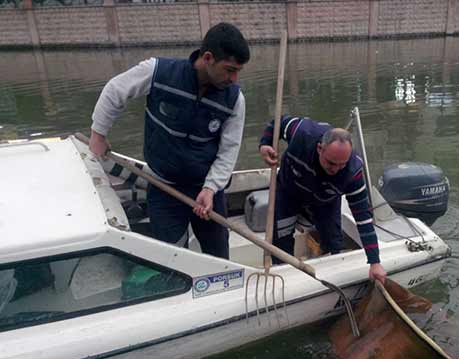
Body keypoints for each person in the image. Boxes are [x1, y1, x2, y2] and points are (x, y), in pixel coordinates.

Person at [89, 22, 250, 258]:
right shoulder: (157, 73)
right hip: (164, 186)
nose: (234, 79)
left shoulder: (235, 100)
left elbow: (229, 150)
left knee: (219, 256)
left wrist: (211, 188)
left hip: (205, 192)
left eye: (239, 71)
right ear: (208, 58)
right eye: (229, 70)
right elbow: (115, 91)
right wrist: (98, 134)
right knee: (173, 257)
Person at [259, 116, 387, 283]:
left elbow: (363, 218)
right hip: (288, 191)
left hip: (325, 200)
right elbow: (277, 122)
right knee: (281, 240)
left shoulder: (353, 172)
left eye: (342, 164)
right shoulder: (302, 132)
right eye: (331, 163)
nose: (335, 169)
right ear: (320, 148)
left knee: (334, 242)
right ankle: (284, 278)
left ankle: (332, 278)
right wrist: (264, 144)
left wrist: (375, 262)